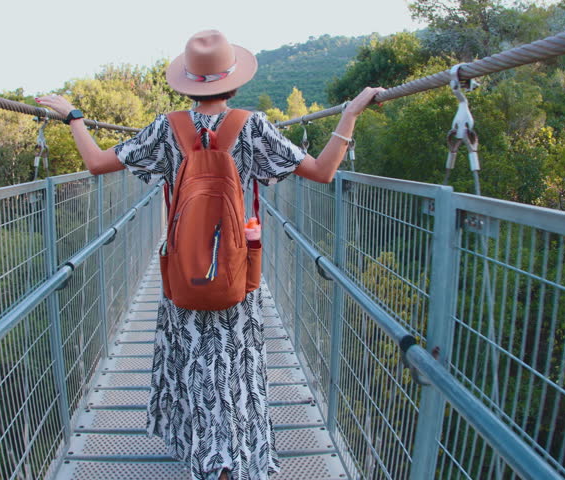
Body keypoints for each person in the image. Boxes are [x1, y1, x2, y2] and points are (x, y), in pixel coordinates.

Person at [38, 29, 383, 480]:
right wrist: (351, 113)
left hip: (183, 268)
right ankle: (235, 458)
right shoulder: (253, 125)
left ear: (188, 82)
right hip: (236, 271)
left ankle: (204, 455)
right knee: (234, 364)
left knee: (194, 362)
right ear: (234, 81)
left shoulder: (167, 128)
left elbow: (98, 164)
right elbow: (322, 171)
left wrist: (74, 117)